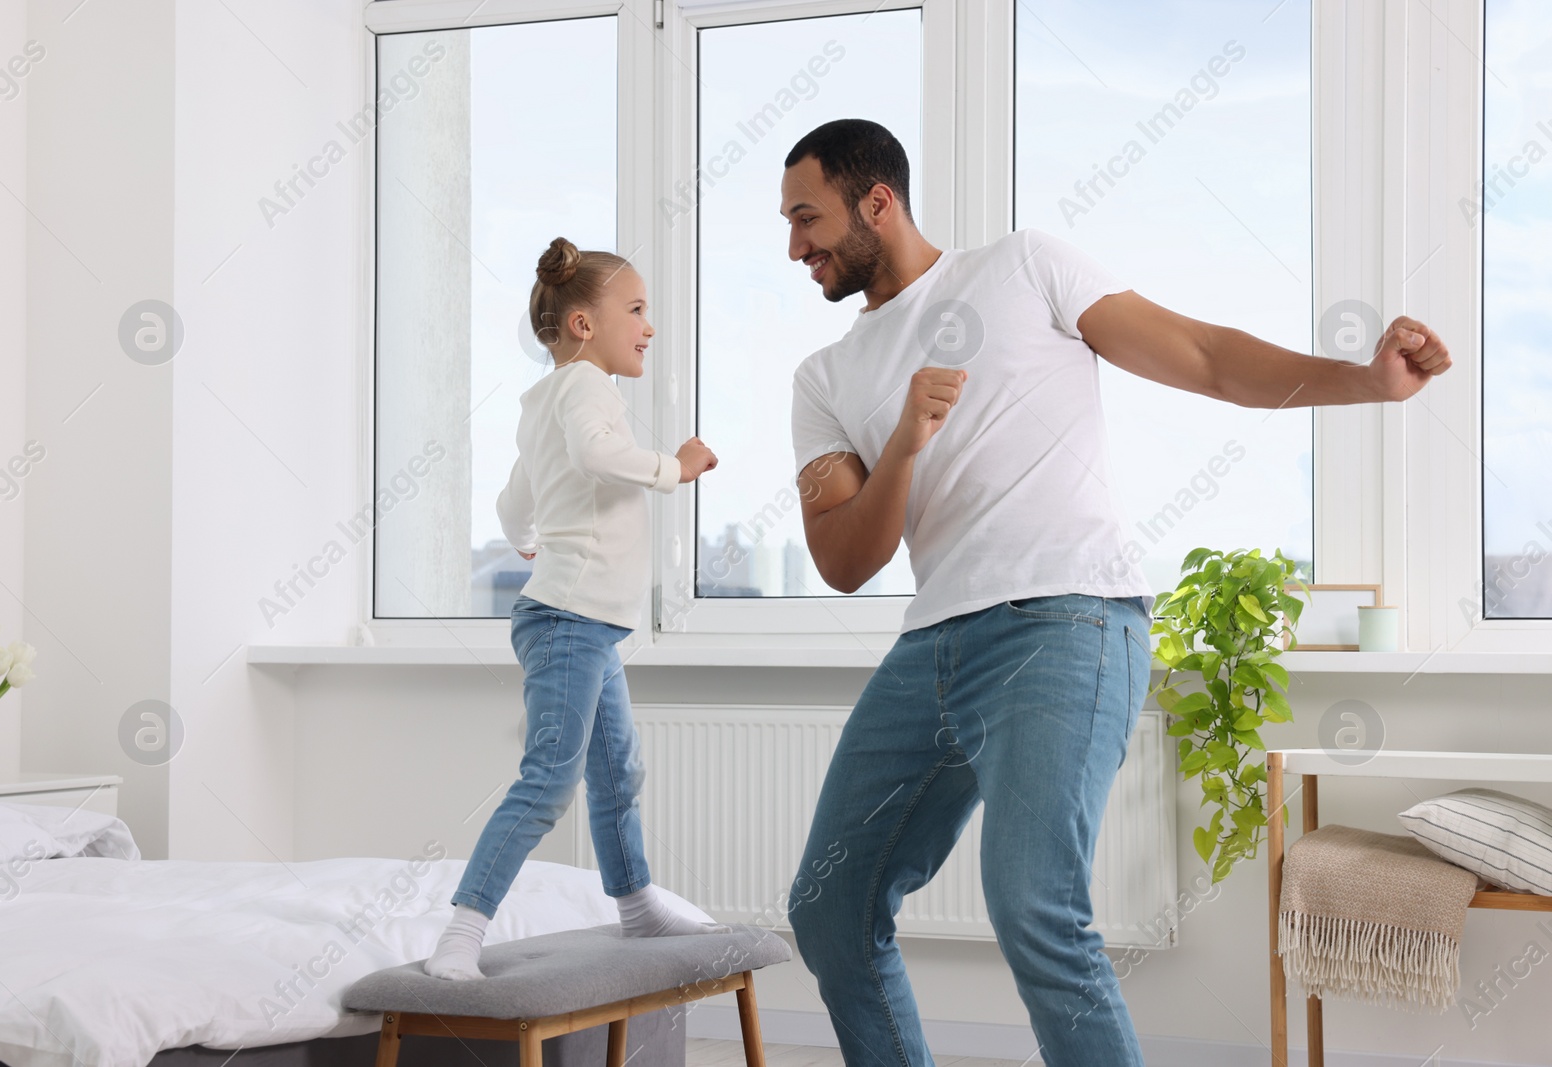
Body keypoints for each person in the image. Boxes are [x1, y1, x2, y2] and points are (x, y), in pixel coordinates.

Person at [778, 119, 1450, 1066]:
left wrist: (1365, 383)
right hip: (930, 649)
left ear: (876, 202)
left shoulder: (1024, 266)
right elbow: (845, 559)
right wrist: (901, 444)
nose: (795, 247)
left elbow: (1205, 356)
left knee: (1032, 903)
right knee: (829, 910)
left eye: (807, 218)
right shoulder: (822, 378)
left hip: (1068, 621)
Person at [425, 237, 725, 981]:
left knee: (618, 771)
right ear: (585, 325)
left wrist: (527, 536)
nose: (648, 326)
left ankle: (635, 903)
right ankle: (462, 933)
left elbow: (513, 499)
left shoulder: (546, 401)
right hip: (568, 620)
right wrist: (673, 468)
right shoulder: (588, 389)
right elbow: (597, 458)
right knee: (549, 779)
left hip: (582, 621)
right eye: (636, 309)